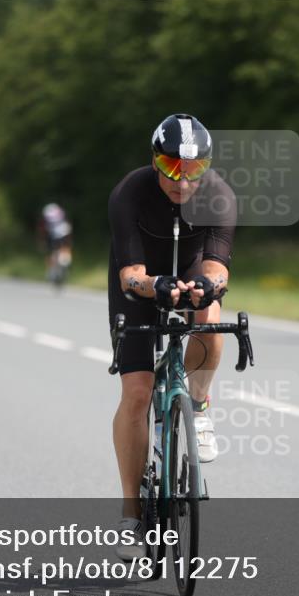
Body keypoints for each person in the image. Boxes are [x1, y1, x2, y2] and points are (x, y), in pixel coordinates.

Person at [107, 113, 236, 559]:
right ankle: (130, 510)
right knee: (138, 393)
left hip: (191, 273)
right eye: (171, 168)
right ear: (154, 162)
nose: (182, 182)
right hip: (138, 285)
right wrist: (155, 286)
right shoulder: (131, 192)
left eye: (193, 170)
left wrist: (208, 287)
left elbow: (218, 268)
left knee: (211, 313)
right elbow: (130, 275)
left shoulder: (219, 195)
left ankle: (197, 406)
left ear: (207, 166)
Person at [39, 203, 73, 282]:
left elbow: (43, 229)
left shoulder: (48, 216)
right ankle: (59, 267)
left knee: (52, 251)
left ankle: (52, 270)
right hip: (63, 233)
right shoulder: (61, 214)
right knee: (64, 249)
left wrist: (42, 241)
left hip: (55, 235)